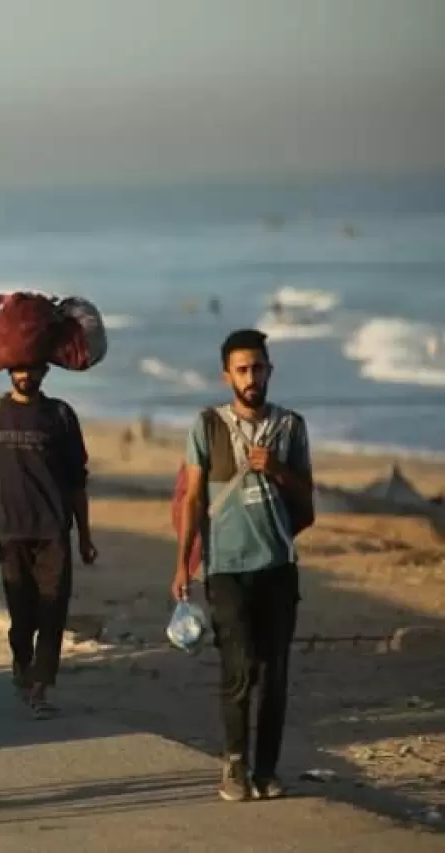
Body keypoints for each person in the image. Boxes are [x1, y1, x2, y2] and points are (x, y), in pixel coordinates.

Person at [173, 329, 314, 803]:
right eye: (242, 369)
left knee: (273, 674)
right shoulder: (207, 426)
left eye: (258, 368)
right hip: (225, 567)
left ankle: (267, 770)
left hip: (277, 566)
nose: (251, 377)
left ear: (270, 371)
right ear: (227, 375)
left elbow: (306, 503)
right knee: (239, 668)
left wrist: (276, 469)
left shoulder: (291, 427)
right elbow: (193, 500)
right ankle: (234, 765)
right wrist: (182, 564)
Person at [0, 362, 97, 719]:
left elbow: (77, 481)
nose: (25, 374)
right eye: (19, 369)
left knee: (53, 608)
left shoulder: (60, 415)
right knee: (22, 611)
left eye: (32, 369)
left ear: (45, 370)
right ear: (9, 370)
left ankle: (41, 686)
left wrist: (85, 536)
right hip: (8, 529)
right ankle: (21, 661)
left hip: (53, 530)